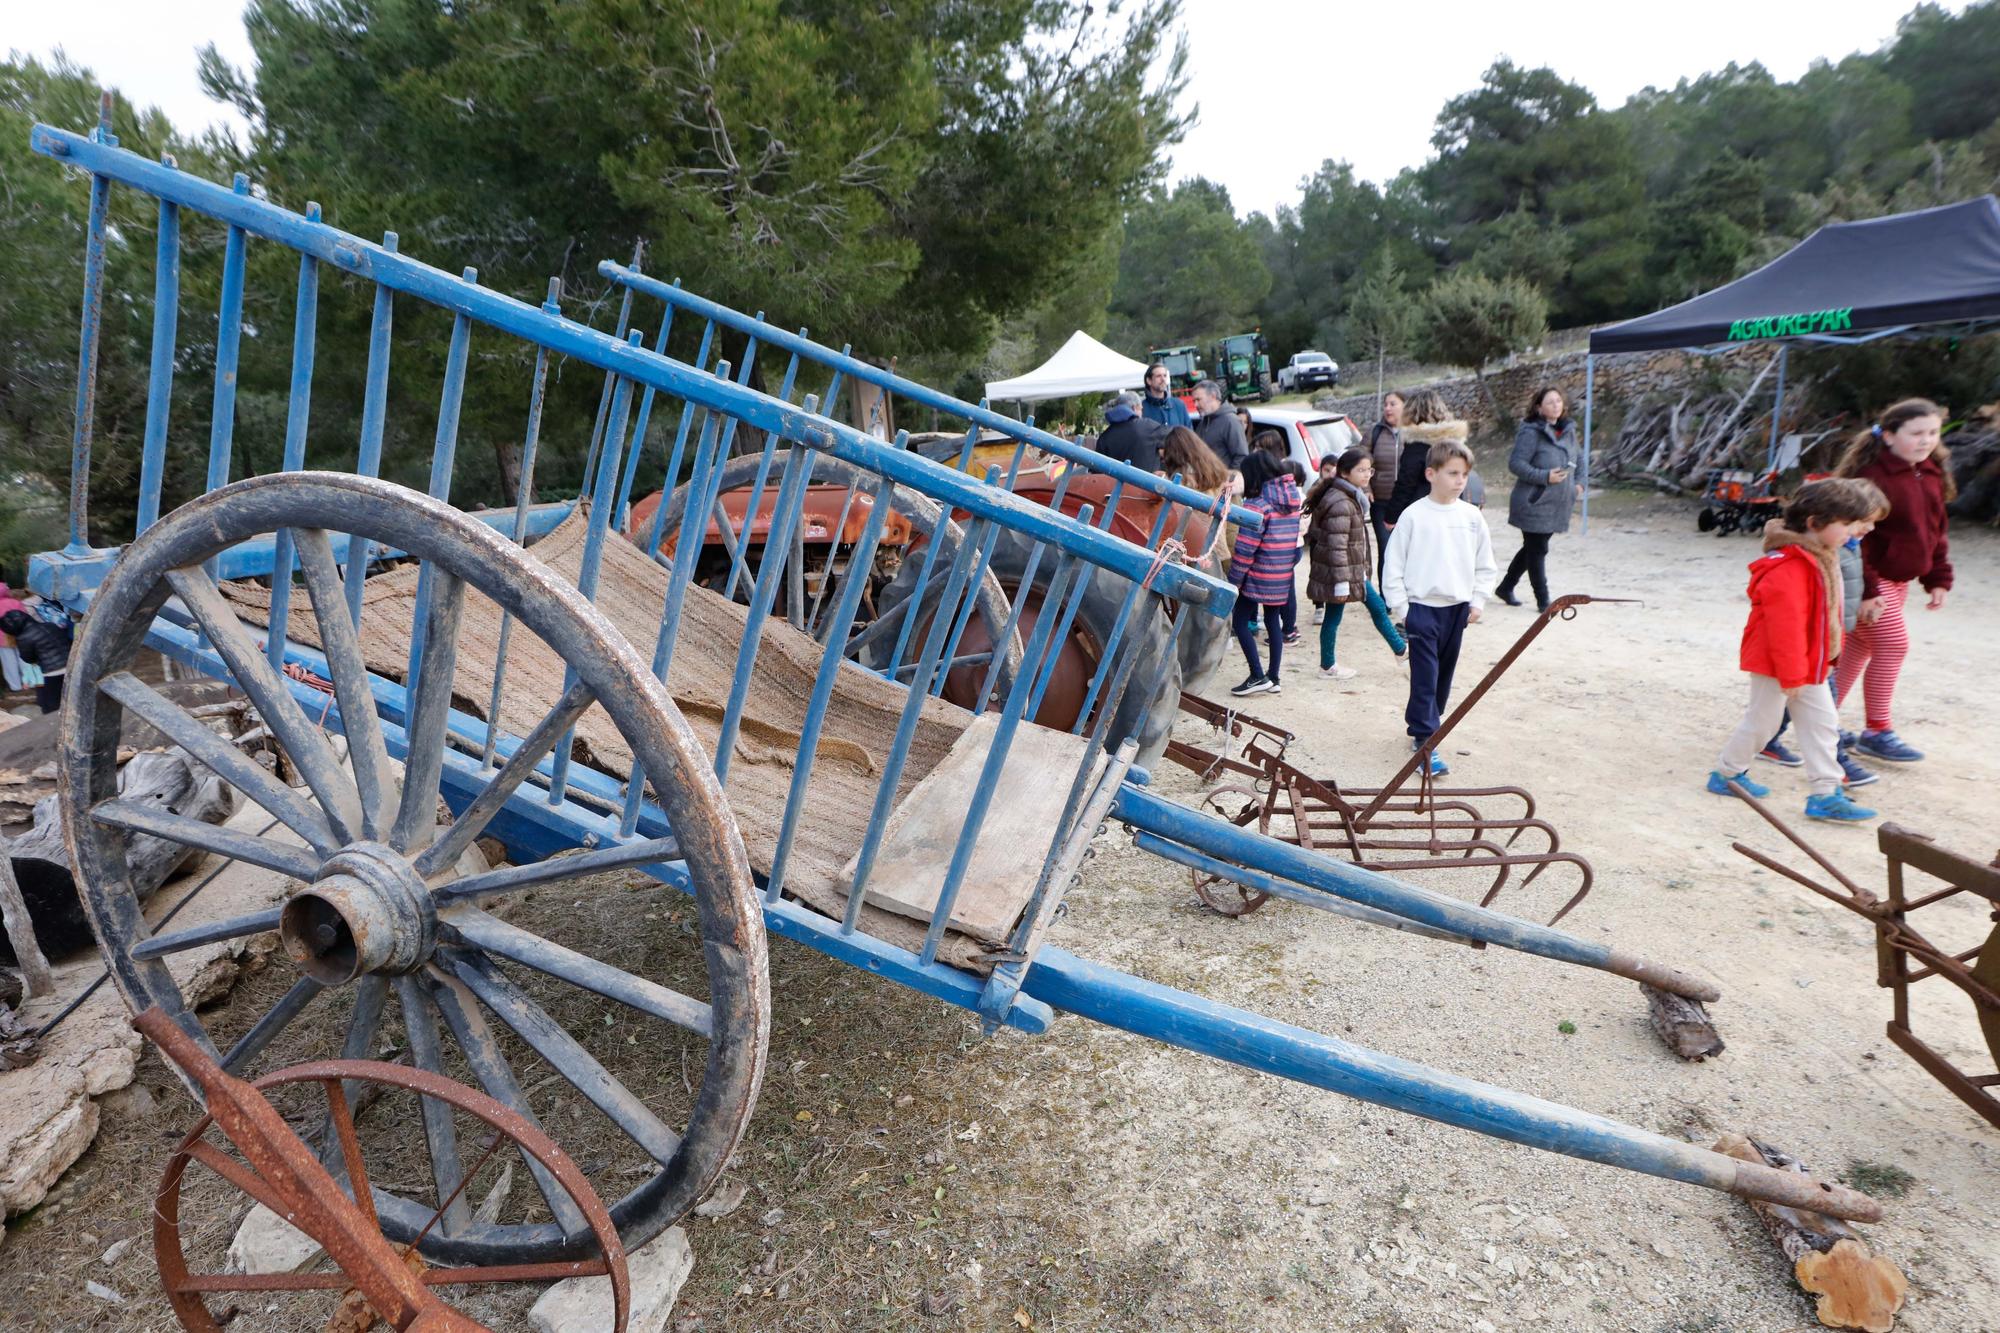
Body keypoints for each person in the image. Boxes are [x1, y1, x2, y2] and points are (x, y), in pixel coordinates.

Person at [1705, 480, 1887, 823]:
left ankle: (1825, 792)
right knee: (1763, 722)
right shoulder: (1789, 567)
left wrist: (1825, 660)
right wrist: (1792, 676)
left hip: (1811, 665)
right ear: (1815, 523)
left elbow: (1825, 618)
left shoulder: (1821, 556)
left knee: (1823, 723)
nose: (1852, 532)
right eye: (1845, 525)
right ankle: (1728, 774)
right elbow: (1785, 630)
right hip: (1779, 665)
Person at [1831, 398, 1954, 764]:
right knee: (1894, 644)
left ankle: (1820, 722)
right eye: (1916, 433)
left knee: (1857, 649)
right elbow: (1857, 540)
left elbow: (1936, 531)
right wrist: (1867, 592)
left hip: (1898, 582)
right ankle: (1877, 730)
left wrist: (1937, 577)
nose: (1926, 440)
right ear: (1887, 436)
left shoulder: (1931, 471)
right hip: (1869, 580)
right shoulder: (1873, 477)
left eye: (1933, 433)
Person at [1759, 481, 1887, 789]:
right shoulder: (1804, 559)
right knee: (1790, 718)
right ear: (1817, 523)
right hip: (1807, 653)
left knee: (1812, 717)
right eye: (1858, 523)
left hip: (1823, 651)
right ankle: (1731, 769)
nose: (1865, 528)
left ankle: (1823, 786)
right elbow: (1787, 622)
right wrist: (1795, 669)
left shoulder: (1842, 548)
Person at [1382, 437, 1496, 776]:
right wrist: (1404, 609)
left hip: (1457, 611)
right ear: (1431, 474)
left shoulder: (1472, 517)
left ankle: (1425, 722)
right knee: (1425, 676)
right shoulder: (1414, 516)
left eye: (1464, 474)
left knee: (1442, 677)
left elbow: (1485, 563)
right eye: (1453, 473)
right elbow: (1394, 565)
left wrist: (1478, 600)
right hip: (1422, 610)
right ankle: (1425, 741)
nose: (1460, 481)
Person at [1307, 448, 1408, 679]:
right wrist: (1342, 582)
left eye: (1369, 470)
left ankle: (1401, 652)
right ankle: (1328, 666)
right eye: (1361, 470)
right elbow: (1337, 546)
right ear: (1344, 472)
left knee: (1374, 609)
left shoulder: (1348, 496)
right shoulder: (1342, 502)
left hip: (1351, 570)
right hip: (1344, 573)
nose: (1366, 475)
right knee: (1350, 613)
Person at [1226, 450, 1302, 696]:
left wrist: (1234, 580)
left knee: (1239, 621)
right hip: (1281, 573)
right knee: (1272, 622)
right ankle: (1274, 677)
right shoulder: (1291, 500)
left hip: (1258, 574)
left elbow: (1245, 549)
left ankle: (1257, 675)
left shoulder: (1256, 505)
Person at [1495, 387, 1578, 612]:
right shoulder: (1531, 431)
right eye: (1550, 402)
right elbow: (1516, 463)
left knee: (1532, 548)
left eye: (1558, 401)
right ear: (1538, 407)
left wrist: (1578, 484)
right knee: (1538, 548)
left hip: (1559, 501)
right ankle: (1544, 600)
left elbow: (1579, 459)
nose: (1555, 405)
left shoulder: (1569, 430)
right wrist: (1544, 476)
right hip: (1533, 500)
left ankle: (1505, 587)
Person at [1380, 390, 1467, 531]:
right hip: (1452, 509)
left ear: (1411, 413)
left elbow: (1406, 483)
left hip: (1422, 515)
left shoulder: (1417, 446)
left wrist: (1392, 517)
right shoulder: (1455, 443)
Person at [1365, 393, 1404, 580]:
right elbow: (1359, 461)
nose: (1388, 408)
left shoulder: (1413, 432)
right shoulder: (1375, 432)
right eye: (1385, 404)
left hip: (1406, 502)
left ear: (1404, 406)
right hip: (1380, 502)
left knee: (1406, 551)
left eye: (1393, 404)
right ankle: (1385, 600)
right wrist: (1366, 488)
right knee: (1386, 548)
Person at [2, 607, 70, 714]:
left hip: (52, 672)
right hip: (71, 665)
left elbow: (28, 658)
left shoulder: (24, 638)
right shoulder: (50, 625)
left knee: (51, 705)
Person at [1094, 390, 1169, 475]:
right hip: (1146, 486)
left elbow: (1096, 473)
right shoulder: (1148, 427)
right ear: (1134, 408)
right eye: (1141, 409)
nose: (1142, 413)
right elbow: (1177, 440)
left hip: (1116, 487)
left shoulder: (1104, 438)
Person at [1192, 379, 1249, 481]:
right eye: (1194, 401)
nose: (1195, 405)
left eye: (1198, 400)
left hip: (1224, 489)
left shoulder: (1231, 421)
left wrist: (1228, 483)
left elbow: (1241, 457)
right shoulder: (1203, 423)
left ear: (1213, 396)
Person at [1141, 363, 1191, 429]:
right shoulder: (1141, 408)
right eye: (1158, 376)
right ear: (1149, 381)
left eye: (1165, 376)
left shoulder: (1179, 405)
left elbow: (1189, 434)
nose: (1163, 379)